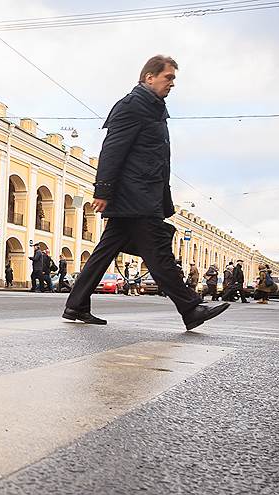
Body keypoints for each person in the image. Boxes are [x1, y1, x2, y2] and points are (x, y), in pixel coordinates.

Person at [63, 55, 228, 331]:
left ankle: (76, 304)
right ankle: (190, 308)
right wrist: (102, 190)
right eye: (168, 78)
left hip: (142, 193)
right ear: (149, 77)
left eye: (174, 79)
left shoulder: (153, 108)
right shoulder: (132, 106)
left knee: (105, 252)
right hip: (136, 195)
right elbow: (112, 150)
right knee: (159, 253)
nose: (172, 84)